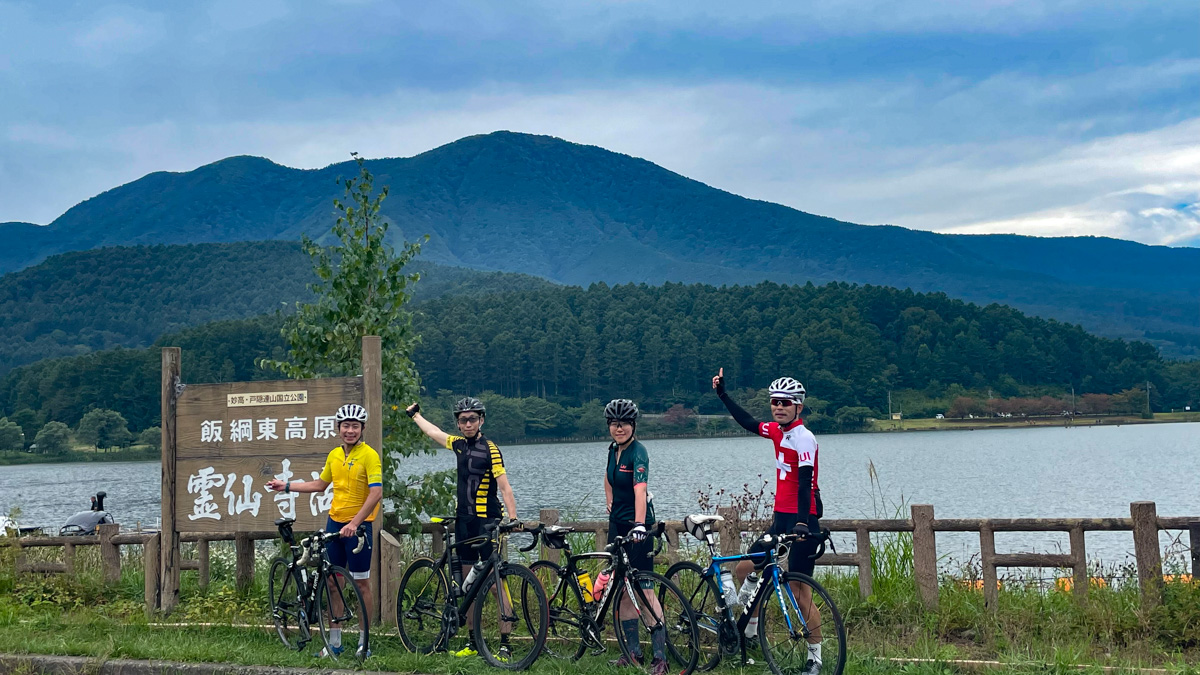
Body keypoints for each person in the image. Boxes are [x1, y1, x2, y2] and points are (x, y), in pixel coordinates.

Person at [712, 369, 824, 673]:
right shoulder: (776, 431)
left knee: (801, 594)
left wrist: (802, 523)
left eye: (786, 402)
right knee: (745, 568)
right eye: (775, 401)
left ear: (798, 406)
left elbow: (804, 484)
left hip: (804, 521)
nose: (779, 406)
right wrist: (723, 395)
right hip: (780, 521)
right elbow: (748, 422)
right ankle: (749, 632)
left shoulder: (804, 438)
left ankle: (815, 657)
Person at [406, 397, 519, 659]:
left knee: (494, 583)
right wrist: (415, 416)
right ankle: (472, 642)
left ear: (481, 420)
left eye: (472, 419)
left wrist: (512, 518)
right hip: (464, 521)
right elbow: (435, 433)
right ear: (458, 423)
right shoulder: (458, 445)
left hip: (487, 521)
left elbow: (504, 486)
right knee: (468, 584)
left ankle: (505, 643)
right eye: (463, 420)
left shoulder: (491, 449)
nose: (468, 424)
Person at [266, 402, 381, 659]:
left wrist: (355, 523)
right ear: (339, 428)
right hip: (335, 522)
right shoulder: (334, 455)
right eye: (345, 426)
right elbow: (320, 484)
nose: (350, 430)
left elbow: (376, 493)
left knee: (361, 583)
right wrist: (286, 486)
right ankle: (335, 643)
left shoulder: (369, 455)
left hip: (359, 526)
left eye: (355, 426)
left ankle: (365, 643)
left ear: (362, 429)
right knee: (332, 582)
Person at [603, 398, 669, 675]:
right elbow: (608, 477)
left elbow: (640, 489)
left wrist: (640, 525)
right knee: (622, 592)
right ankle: (632, 653)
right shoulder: (613, 449)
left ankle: (660, 658)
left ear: (633, 425)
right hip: (617, 524)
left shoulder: (638, 452)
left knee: (644, 589)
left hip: (637, 527)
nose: (619, 429)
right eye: (615, 424)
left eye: (625, 424)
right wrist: (609, 503)